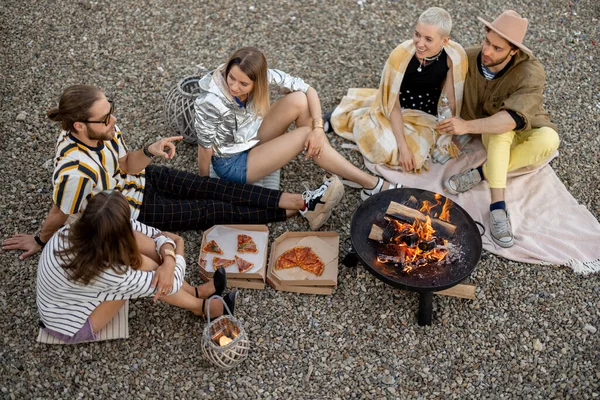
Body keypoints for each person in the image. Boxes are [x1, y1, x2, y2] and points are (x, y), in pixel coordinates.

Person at [2, 85, 344, 260]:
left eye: (112, 111)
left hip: (139, 179)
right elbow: (61, 211)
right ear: (79, 125)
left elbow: (124, 164)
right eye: (105, 118)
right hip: (133, 211)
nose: (114, 120)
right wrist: (40, 239)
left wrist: (149, 151)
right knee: (211, 211)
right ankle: (298, 208)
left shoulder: (101, 130)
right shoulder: (74, 172)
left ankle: (305, 201)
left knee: (214, 186)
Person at [193, 46, 399, 200]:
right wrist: (205, 187)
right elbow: (205, 149)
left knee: (299, 100)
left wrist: (319, 130)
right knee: (304, 135)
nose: (234, 86)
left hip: (249, 137)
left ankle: (331, 162)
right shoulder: (210, 102)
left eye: (243, 83)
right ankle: (371, 184)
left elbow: (309, 90)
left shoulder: (265, 79)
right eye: (231, 78)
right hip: (233, 164)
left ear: (258, 81)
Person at [37, 191, 234, 344]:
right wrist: (177, 249)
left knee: (139, 246)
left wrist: (168, 255)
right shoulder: (107, 272)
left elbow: (155, 234)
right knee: (148, 270)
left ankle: (194, 291)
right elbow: (167, 285)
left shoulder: (83, 228)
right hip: (72, 324)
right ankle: (200, 307)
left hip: (68, 294)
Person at [438, 10, 560, 248]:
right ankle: (498, 207)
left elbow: (511, 119)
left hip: (525, 127)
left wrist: (465, 125)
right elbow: (437, 68)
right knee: (499, 131)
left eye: (497, 49)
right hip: (491, 132)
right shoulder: (467, 57)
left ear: (514, 51)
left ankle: (480, 173)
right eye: (487, 42)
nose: (487, 51)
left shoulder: (531, 72)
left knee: (550, 140)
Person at [328, 7, 468, 171]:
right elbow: (391, 102)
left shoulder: (453, 57)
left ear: (444, 41)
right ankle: (346, 116)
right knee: (384, 150)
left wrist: (446, 134)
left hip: (426, 116)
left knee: (414, 160)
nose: (419, 43)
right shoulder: (401, 55)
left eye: (428, 39)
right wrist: (403, 147)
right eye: (417, 34)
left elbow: (450, 101)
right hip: (396, 110)